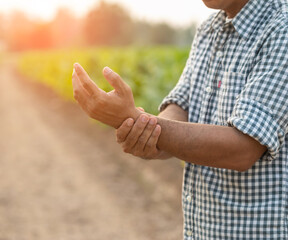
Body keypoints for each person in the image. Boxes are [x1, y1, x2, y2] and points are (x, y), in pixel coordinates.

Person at [72, 0, 288, 238]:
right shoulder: (209, 28)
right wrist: (146, 132)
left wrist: (134, 119)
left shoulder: (282, 27)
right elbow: (181, 104)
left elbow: (242, 148)